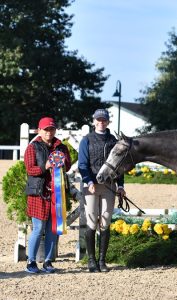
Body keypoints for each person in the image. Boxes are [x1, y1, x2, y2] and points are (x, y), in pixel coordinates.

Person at [78, 108, 126, 272]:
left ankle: (102, 261)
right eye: (98, 120)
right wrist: (88, 181)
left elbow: (119, 165)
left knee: (105, 222)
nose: (101, 122)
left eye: (104, 120)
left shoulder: (113, 140)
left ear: (108, 122)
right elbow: (82, 164)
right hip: (91, 186)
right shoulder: (87, 140)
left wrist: (120, 185)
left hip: (108, 185)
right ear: (94, 121)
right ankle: (91, 260)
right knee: (92, 221)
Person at [24, 117, 72, 274]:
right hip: (38, 193)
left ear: (55, 130)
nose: (49, 132)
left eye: (51, 129)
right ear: (39, 131)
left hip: (56, 194)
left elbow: (69, 165)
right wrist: (45, 166)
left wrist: (63, 163)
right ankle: (31, 261)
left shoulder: (62, 147)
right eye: (45, 129)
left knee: (53, 229)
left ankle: (48, 261)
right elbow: (30, 169)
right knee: (38, 229)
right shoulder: (32, 148)